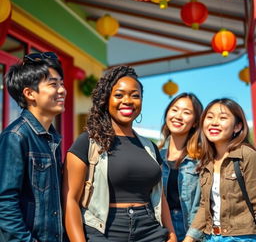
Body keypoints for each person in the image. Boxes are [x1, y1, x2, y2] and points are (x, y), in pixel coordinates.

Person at [62, 65, 177, 242]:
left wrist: (171, 233)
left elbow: (160, 195)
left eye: (135, 95)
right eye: (119, 95)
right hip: (105, 232)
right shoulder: (88, 142)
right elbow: (71, 200)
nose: (128, 101)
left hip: (150, 231)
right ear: (106, 99)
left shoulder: (150, 147)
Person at [0, 52, 67, 242]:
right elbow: (5, 203)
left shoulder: (52, 139)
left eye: (61, 83)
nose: (62, 90)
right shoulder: (16, 136)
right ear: (29, 93)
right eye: (53, 84)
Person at [184, 98, 256, 242]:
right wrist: (189, 238)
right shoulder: (206, 163)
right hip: (211, 237)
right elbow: (205, 207)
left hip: (243, 237)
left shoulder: (247, 155)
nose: (214, 122)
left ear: (237, 127)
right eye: (209, 117)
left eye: (223, 118)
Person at [158, 93, 203, 242]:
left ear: (195, 122)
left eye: (186, 112)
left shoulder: (202, 158)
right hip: (160, 230)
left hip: (192, 232)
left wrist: (190, 238)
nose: (178, 116)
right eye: (174, 109)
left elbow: (206, 205)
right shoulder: (154, 156)